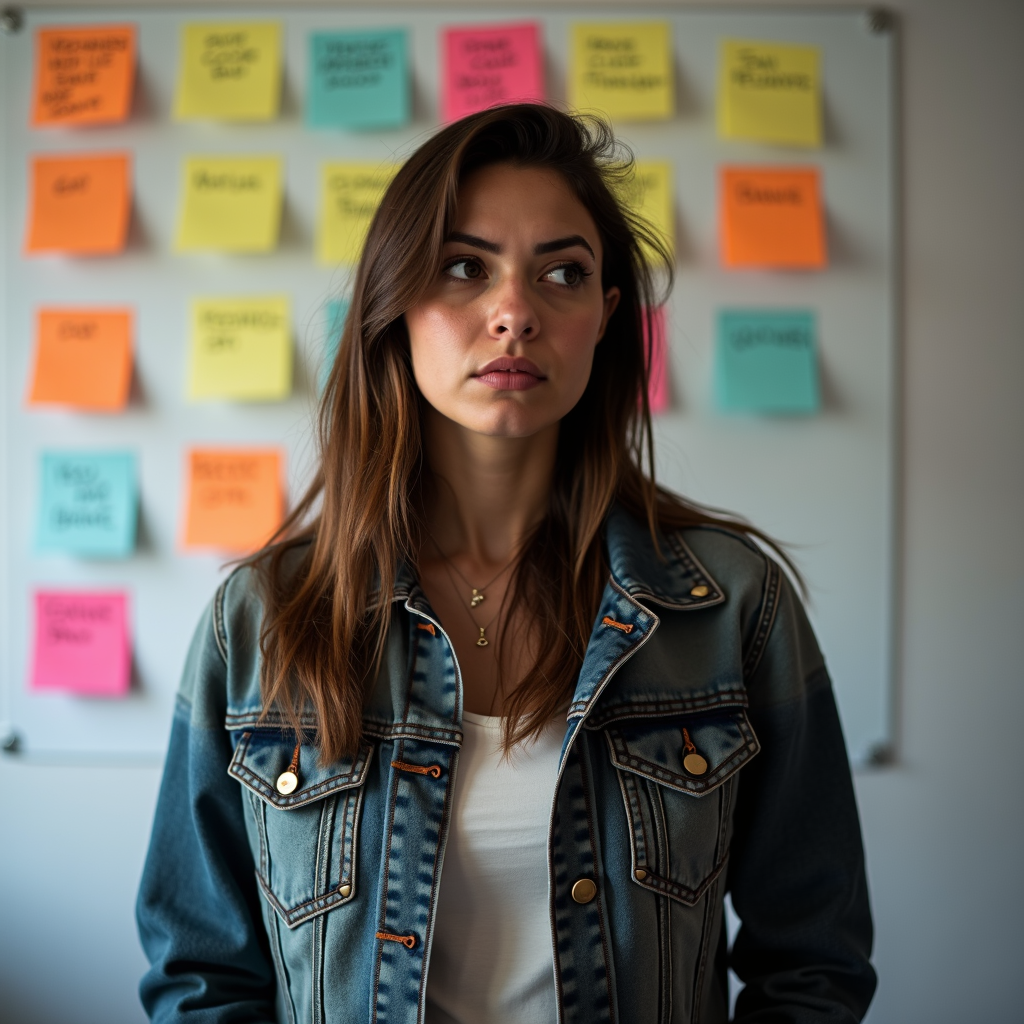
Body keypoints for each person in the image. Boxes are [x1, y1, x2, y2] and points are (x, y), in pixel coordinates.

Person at [137, 104, 875, 1024]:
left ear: (606, 318)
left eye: (563, 273)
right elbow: (201, 975)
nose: (515, 312)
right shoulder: (263, 619)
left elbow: (815, 963)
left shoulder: (732, 608)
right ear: (395, 303)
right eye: (463, 268)